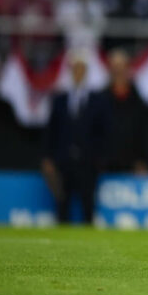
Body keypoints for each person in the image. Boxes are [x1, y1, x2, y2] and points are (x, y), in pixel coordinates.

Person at [42, 49, 110, 224]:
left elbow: (104, 132)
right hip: (63, 162)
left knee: (88, 208)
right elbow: (51, 131)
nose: (78, 73)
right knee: (62, 207)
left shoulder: (98, 100)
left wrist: (99, 158)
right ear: (71, 72)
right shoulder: (60, 100)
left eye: (82, 69)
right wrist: (48, 158)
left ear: (86, 72)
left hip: (88, 163)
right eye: (75, 69)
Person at [103, 48, 148, 173]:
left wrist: (142, 160)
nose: (118, 70)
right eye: (115, 66)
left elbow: (143, 133)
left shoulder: (138, 100)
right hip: (104, 166)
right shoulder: (100, 99)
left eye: (121, 66)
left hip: (131, 165)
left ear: (127, 68)